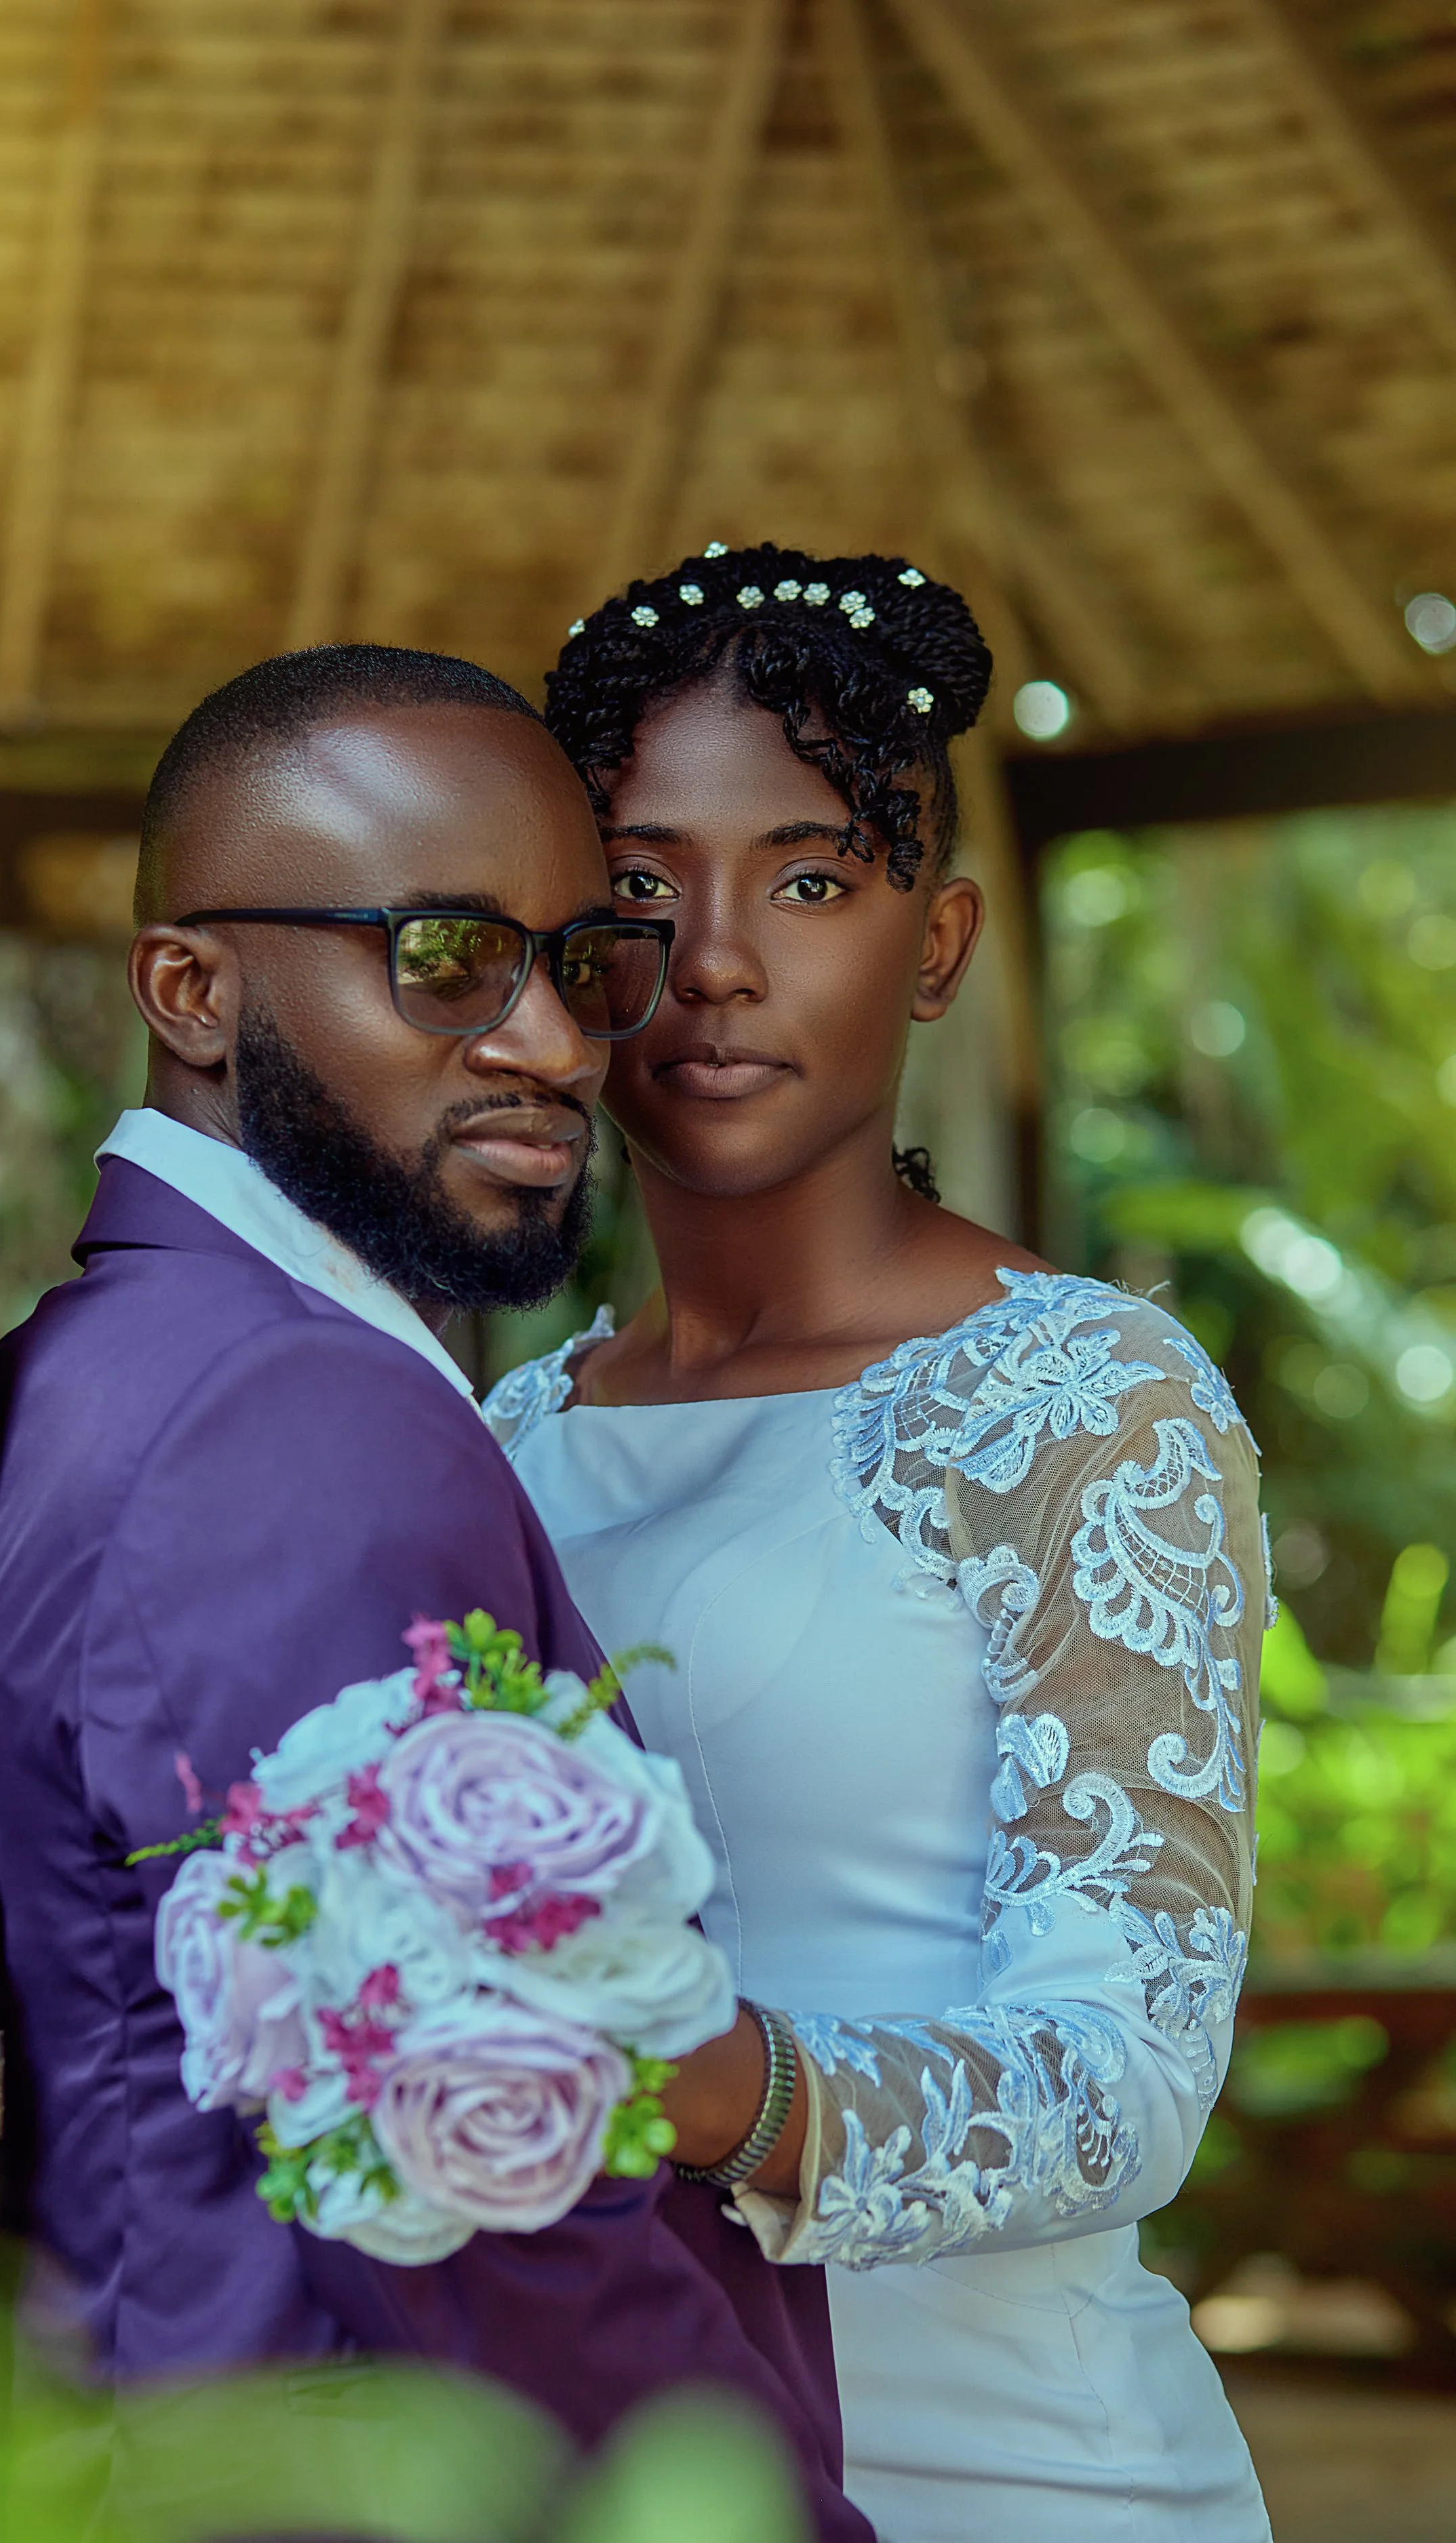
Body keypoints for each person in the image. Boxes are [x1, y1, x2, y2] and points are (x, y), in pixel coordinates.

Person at [0, 642, 872, 2542]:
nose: (557, 1041)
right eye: (449, 958)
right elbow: (471, 2177)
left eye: (585, 960)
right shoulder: (293, 1418)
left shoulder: (102, 1362)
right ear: (190, 990)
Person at [485, 547, 1272, 2542]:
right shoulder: (499, 1439)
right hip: (618, 2480)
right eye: (643, 887)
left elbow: (1129, 2067)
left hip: (1014, 2476)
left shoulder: (1091, 1402)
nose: (719, 955)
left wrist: (702, 2080)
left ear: (938, 941)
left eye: (810, 877)